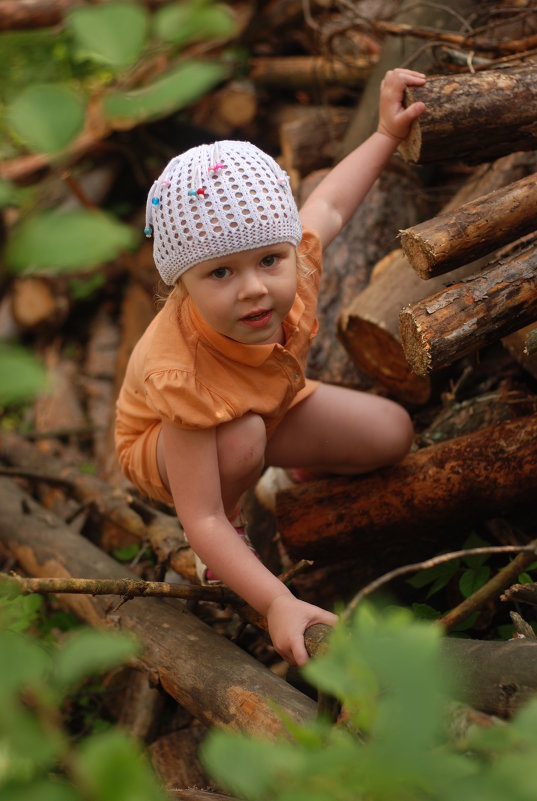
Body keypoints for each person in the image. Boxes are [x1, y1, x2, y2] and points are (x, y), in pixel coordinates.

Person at [115, 68, 426, 667]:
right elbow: (198, 514)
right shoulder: (178, 370)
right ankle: (235, 538)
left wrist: (386, 131)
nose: (255, 289)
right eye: (220, 273)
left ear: (286, 247)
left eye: (267, 260)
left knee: (392, 434)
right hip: (175, 445)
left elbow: (332, 202)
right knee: (241, 441)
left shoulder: (292, 260)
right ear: (182, 282)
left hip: (270, 403)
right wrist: (276, 599)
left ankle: (292, 464)